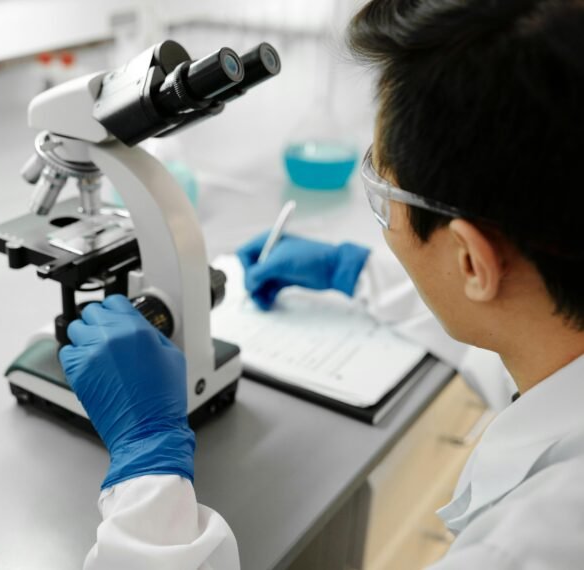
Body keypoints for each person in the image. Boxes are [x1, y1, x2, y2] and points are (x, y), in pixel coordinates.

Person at [58, 0, 584, 567]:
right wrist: (354, 273)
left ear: (473, 262)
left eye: (383, 192)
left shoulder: (536, 543)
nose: (381, 211)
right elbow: (522, 307)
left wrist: (148, 473)